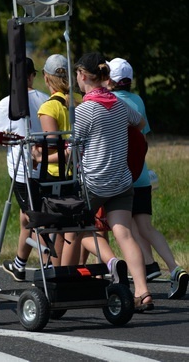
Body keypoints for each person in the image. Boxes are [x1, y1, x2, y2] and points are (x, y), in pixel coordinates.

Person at [74, 52, 153, 311]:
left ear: (83, 76)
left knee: (74, 229)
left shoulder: (84, 110)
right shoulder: (120, 105)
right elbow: (139, 123)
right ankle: (142, 292)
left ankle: (108, 263)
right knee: (125, 233)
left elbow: (71, 147)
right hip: (121, 181)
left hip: (94, 183)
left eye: (76, 74)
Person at [107, 58, 187, 299]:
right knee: (145, 226)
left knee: (124, 228)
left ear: (109, 79)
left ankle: (141, 278)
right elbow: (144, 136)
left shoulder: (111, 103)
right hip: (141, 173)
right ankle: (174, 268)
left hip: (122, 174)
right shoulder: (137, 100)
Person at [0, 58, 49, 281]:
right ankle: (19, 264)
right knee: (25, 217)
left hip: (24, 172)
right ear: (33, 75)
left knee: (34, 218)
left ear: (11, 78)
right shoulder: (46, 99)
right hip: (48, 169)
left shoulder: (8, 103)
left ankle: (49, 268)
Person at [32, 54, 84, 267]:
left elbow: (53, 144)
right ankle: (67, 272)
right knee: (70, 228)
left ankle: (53, 272)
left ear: (46, 78)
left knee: (52, 229)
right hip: (76, 173)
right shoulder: (78, 103)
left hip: (54, 175)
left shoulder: (48, 108)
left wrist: (37, 155)